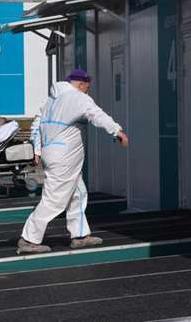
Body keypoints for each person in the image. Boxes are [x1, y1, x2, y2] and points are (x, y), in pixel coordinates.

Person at [18, 69, 129, 254]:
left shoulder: (51, 100)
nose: (88, 92)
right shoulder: (78, 98)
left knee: (78, 193)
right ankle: (29, 238)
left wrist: (37, 148)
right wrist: (117, 131)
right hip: (64, 157)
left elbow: (37, 123)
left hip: (53, 153)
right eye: (87, 87)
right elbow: (97, 115)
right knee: (54, 200)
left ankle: (79, 236)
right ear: (80, 84)